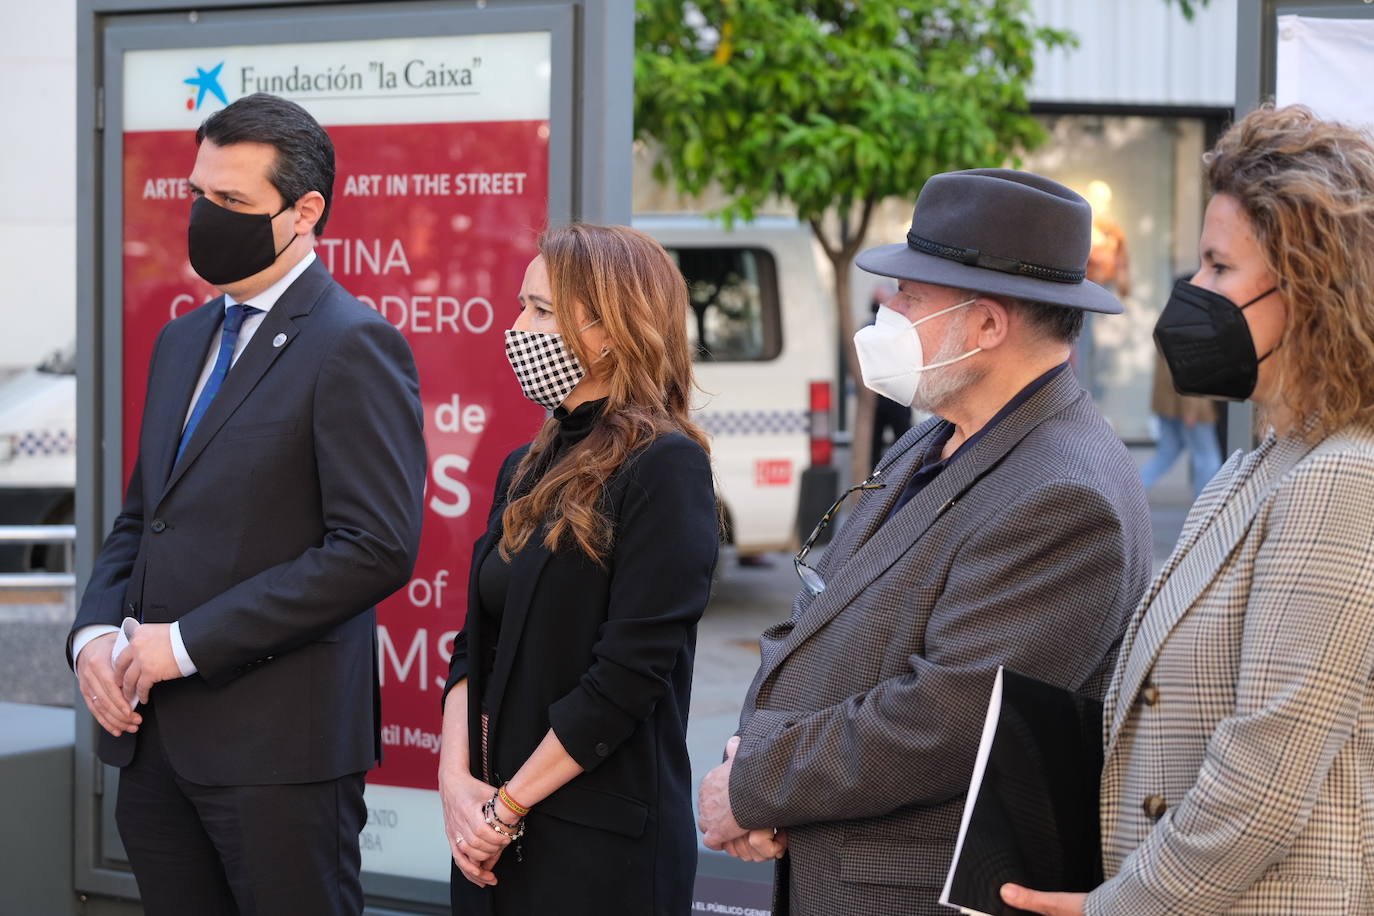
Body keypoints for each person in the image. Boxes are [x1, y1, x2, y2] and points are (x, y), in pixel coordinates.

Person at [696, 168, 1154, 916]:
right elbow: (819, 618)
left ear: (987, 325)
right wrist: (751, 764)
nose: (887, 307)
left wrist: (755, 786)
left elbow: (941, 721)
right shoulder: (936, 437)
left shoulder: (1066, 494)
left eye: (912, 295)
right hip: (831, 860)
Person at [1000, 105, 1374, 916]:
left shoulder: (1339, 478)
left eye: (1216, 266)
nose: (1191, 291)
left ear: (1309, 285)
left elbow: (1266, 778)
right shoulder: (1262, 464)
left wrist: (1121, 906)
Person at [67, 93, 427, 915]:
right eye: (198, 194)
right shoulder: (182, 339)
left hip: (279, 763)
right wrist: (92, 636)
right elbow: (142, 520)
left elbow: (374, 547)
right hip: (152, 751)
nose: (205, 216)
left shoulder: (352, 343)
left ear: (306, 213)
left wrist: (185, 644)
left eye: (231, 201)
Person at [438, 224, 718, 915]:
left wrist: (505, 808)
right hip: (490, 833)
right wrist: (455, 782)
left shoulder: (666, 467)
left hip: (596, 852)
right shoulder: (525, 465)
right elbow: (475, 645)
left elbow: (626, 678)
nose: (517, 328)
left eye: (540, 311)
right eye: (520, 306)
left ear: (612, 331)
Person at [1138, 344, 1222, 499]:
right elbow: (1191, 372)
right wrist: (1190, 410)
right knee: (1207, 458)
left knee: (1166, 455)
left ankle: (1131, 490)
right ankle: (1205, 504)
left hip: (1168, 406)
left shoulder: (1167, 326)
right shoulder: (1190, 329)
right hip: (1192, 408)